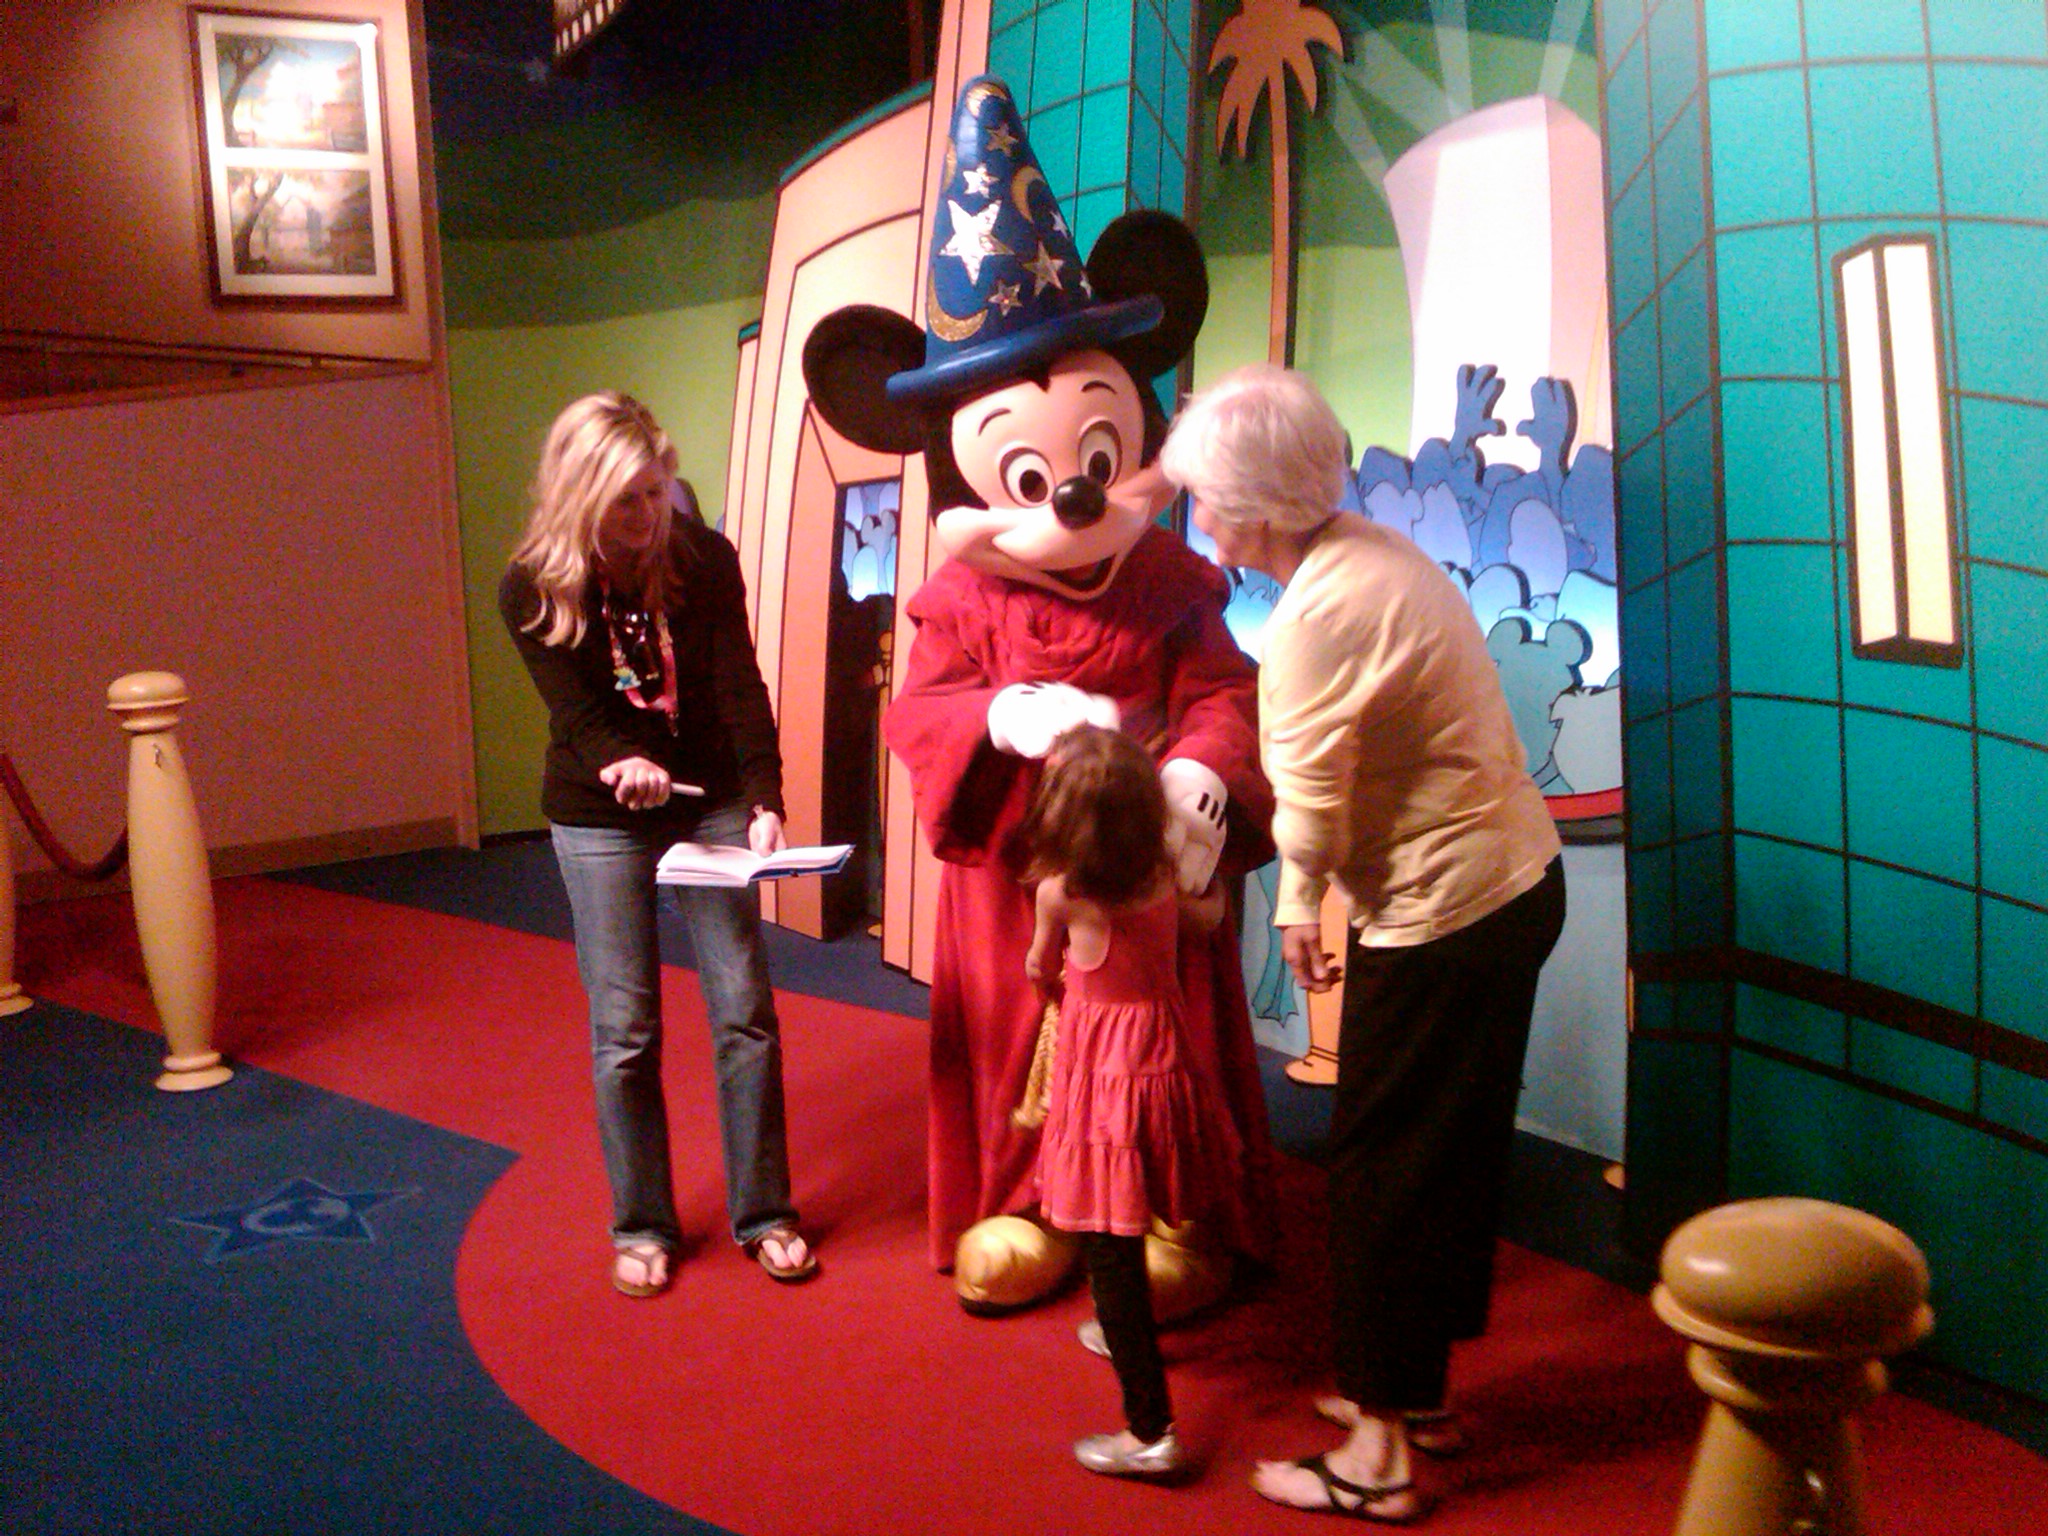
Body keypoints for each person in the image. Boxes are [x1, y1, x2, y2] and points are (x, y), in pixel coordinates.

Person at [1160, 366, 1567, 1524]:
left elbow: (1309, 811)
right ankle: (1413, 1393)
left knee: (1384, 1170)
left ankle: (1378, 1456)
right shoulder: (1373, 553)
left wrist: (1297, 906)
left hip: (1444, 913)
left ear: (1251, 507)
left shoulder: (1311, 618)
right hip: (1509, 886)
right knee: (1445, 1156)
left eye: (1206, 498)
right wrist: (1308, 895)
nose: (1199, 518)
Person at [499, 391, 817, 1299]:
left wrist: (765, 797)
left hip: (710, 799)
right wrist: (620, 763)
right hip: (599, 816)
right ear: (579, 495)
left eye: (655, 492)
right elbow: (577, 713)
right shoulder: (532, 585)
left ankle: (766, 1213)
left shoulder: (702, 559)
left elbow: (738, 683)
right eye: (625, 501)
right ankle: (641, 1224)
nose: (647, 516)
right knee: (625, 1028)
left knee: (743, 1009)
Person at [1017, 724, 1245, 1482]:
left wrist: (1050, 972)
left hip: (1102, 1085)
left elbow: (1039, 968)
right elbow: (1209, 920)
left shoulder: (1063, 894)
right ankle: (1129, 1333)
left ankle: (1150, 1429)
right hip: (1164, 1062)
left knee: (1107, 1244)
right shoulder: (1162, 877)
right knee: (1141, 1206)